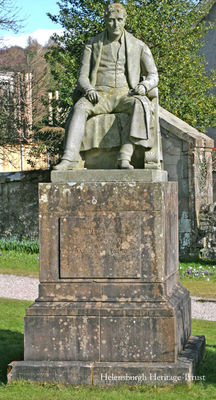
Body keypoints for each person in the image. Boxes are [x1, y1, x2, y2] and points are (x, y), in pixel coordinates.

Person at [54, 2, 158, 170]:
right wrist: (89, 89)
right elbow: (82, 76)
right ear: (105, 21)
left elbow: (153, 74)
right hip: (99, 95)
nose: (115, 24)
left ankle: (124, 157)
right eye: (111, 20)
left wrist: (145, 86)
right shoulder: (92, 44)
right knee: (80, 107)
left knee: (141, 104)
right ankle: (69, 158)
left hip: (126, 94)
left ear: (125, 20)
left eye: (119, 20)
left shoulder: (138, 46)